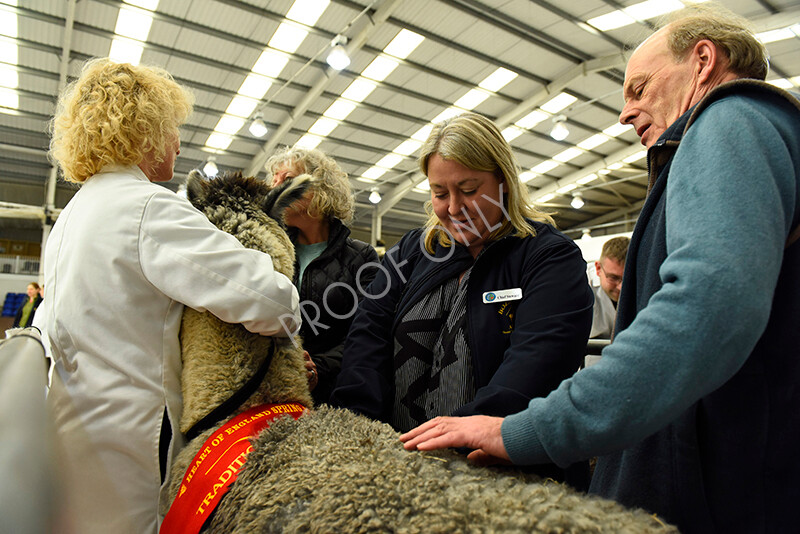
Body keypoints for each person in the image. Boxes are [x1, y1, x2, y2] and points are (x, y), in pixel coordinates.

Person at [400, 5, 800, 532]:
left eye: (638, 89)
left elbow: (709, 305)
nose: (624, 113)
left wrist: (523, 431)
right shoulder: (751, 138)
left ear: (703, 60)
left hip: (723, 495)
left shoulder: (730, 120)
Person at [43, 58, 300, 534]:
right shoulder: (147, 209)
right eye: (171, 128)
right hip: (133, 440)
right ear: (142, 131)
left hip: (71, 426)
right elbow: (273, 302)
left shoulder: (73, 214)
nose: (178, 144)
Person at [332, 111, 594, 483]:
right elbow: (368, 333)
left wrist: (470, 436)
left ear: (503, 183)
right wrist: (357, 425)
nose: (454, 208)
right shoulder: (412, 250)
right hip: (398, 464)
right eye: (440, 194)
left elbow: (541, 355)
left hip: (505, 472)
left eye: (469, 190)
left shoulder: (548, 256)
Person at [267, 147, 379, 405]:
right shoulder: (268, 252)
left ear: (319, 189)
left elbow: (367, 331)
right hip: (273, 390)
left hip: (334, 395)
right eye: (273, 180)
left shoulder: (360, 258)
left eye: (287, 179)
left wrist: (319, 367)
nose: (274, 189)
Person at [590, 236, 629, 339]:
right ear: (598, 269)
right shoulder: (582, 288)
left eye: (627, 279)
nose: (620, 287)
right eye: (613, 278)